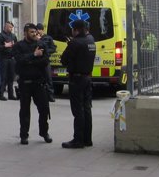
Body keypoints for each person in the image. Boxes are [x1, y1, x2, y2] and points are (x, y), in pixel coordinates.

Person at [13, 23, 53, 145]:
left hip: (38, 83)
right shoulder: (19, 46)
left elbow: (45, 61)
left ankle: (44, 132)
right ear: (25, 33)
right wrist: (33, 55)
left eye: (35, 32)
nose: (34, 34)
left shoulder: (41, 44)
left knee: (44, 109)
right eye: (31, 32)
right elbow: (19, 61)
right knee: (24, 110)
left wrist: (30, 61)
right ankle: (24, 135)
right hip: (25, 83)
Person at [60, 19, 96, 149]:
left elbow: (63, 60)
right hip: (87, 78)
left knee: (78, 110)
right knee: (87, 109)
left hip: (76, 79)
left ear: (76, 30)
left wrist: (70, 45)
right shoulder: (91, 39)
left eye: (73, 29)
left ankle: (78, 140)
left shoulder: (75, 43)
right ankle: (87, 139)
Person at [0, 21, 17, 100]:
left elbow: (16, 46)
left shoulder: (13, 36)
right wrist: (5, 46)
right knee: (3, 77)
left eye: (12, 27)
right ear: (6, 27)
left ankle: (11, 94)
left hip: (12, 59)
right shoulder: (0, 36)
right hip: (3, 58)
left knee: (11, 77)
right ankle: (0, 94)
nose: (11, 29)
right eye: (10, 27)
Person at [36, 23, 57, 102]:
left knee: (48, 79)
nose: (38, 32)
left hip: (45, 61)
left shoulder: (48, 38)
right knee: (38, 79)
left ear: (42, 30)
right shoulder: (35, 38)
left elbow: (53, 48)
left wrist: (45, 51)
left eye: (39, 30)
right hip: (37, 61)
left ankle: (50, 95)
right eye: (36, 30)